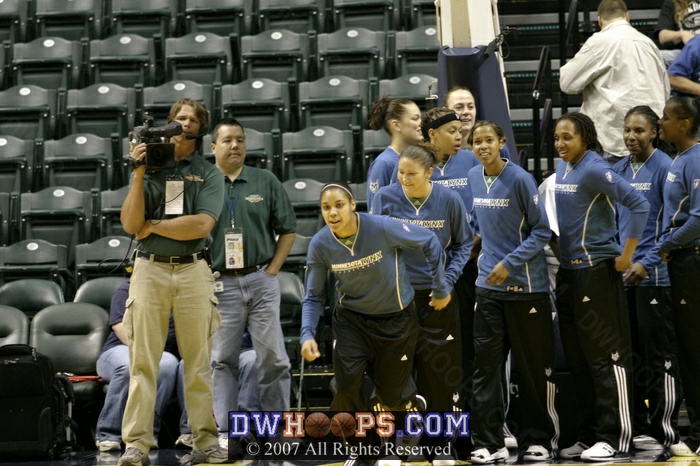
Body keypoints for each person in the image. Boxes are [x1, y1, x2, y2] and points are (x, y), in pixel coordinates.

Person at [120, 98, 230, 465]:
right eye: (179, 118)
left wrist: (152, 226)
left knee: (198, 363)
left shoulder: (209, 172)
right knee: (143, 361)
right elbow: (130, 225)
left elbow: (201, 226)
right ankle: (136, 444)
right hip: (149, 268)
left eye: (193, 119)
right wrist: (137, 172)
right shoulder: (148, 168)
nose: (185, 123)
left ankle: (205, 441)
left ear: (201, 128)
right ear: (169, 124)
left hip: (193, 269)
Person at [300, 181, 451, 414]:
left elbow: (429, 241)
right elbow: (313, 296)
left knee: (390, 395)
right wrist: (307, 333)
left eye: (339, 205)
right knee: (345, 388)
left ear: (352, 204)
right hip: (352, 321)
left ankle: (407, 401)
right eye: (325, 207)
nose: (332, 212)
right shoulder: (320, 244)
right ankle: (360, 448)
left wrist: (440, 288)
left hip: (396, 319)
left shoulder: (382, 227)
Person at [553, 112, 650, 462]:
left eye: (567, 137)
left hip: (597, 273)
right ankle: (589, 434)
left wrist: (627, 254)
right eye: (556, 138)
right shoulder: (564, 168)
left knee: (606, 359)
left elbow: (639, 204)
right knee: (579, 361)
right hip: (569, 274)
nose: (560, 144)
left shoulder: (595, 168)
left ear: (585, 138)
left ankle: (616, 437)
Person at [465, 121, 559, 464]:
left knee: (533, 369)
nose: (483, 146)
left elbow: (542, 231)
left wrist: (509, 262)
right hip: (488, 290)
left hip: (527, 289)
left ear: (502, 142)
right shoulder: (474, 177)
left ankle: (539, 439)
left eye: (489, 140)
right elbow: (478, 224)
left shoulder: (520, 178)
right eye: (476, 141)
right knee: (486, 369)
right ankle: (488, 443)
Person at [208, 118, 296, 446]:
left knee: (273, 358)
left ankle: (278, 431)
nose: (235, 146)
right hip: (220, 283)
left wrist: (272, 270)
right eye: (228, 140)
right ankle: (227, 434)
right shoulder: (202, 183)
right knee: (222, 360)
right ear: (213, 147)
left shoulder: (265, 180)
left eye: (241, 140)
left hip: (260, 279)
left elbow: (288, 229)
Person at [371, 143, 472, 413]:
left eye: (411, 174)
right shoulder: (384, 198)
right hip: (398, 298)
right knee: (395, 372)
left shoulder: (450, 199)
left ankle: (443, 444)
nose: (404, 179)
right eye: (400, 172)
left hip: (437, 296)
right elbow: (375, 245)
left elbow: (463, 245)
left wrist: (447, 283)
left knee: (442, 370)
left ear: (429, 172)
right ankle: (400, 443)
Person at [612, 106, 681, 451]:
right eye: (627, 130)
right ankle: (638, 426)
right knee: (631, 355)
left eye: (639, 130)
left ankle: (666, 431)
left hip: (654, 277)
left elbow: (672, 226)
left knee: (660, 356)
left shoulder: (665, 169)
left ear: (655, 132)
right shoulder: (617, 170)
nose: (631, 137)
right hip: (623, 278)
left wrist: (648, 261)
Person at [559, 0, 669, 165]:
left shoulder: (599, 42)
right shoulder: (649, 44)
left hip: (612, 142)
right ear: (627, 17)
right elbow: (665, 90)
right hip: (650, 143)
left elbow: (566, 83)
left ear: (600, 21)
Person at [96, 281, 192, 452]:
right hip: (120, 350)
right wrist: (145, 353)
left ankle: (147, 433)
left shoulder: (180, 294)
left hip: (162, 354)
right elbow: (119, 327)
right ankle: (108, 434)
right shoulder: (127, 289)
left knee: (168, 364)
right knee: (128, 367)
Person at [657, 96, 700, 457]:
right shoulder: (679, 160)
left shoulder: (697, 158)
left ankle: (698, 435)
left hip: (691, 260)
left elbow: (699, 218)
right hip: (681, 260)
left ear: (684, 124)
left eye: (667, 118)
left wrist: (666, 245)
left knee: (694, 347)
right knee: (687, 348)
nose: (661, 122)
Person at [366, 96, 423, 208]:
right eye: (415, 119)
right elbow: (375, 211)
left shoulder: (421, 158)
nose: (421, 123)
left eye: (421, 118)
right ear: (396, 125)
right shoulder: (383, 163)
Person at [443, 86, 511, 159]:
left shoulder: (496, 146)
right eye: (459, 107)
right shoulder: (437, 151)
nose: (466, 112)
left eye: (470, 107)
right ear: (445, 112)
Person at [655, 0, 700, 67]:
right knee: (655, 57)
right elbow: (662, 36)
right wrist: (682, 34)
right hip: (686, 55)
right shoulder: (672, 3)